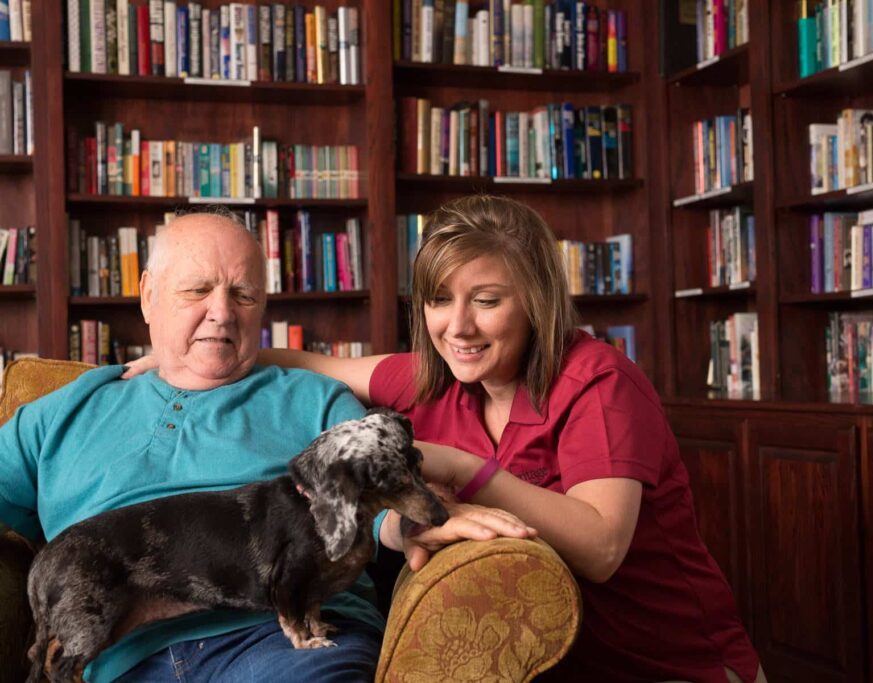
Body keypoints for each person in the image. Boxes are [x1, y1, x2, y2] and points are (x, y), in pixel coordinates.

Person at [131, 195, 764, 682]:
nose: (456, 326)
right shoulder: (432, 378)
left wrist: (461, 467)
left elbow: (601, 547)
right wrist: (183, 352)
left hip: (674, 665)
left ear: (536, 302)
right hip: (549, 666)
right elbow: (307, 363)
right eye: (438, 299)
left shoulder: (597, 379)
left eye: (486, 300)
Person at [0, 211, 531, 683]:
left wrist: (420, 521)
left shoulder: (316, 400)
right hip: (121, 653)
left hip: (281, 642)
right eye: (196, 290)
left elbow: (370, 507)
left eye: (244, 294)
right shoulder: (62, 411)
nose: (222, 312)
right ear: (148, 296)